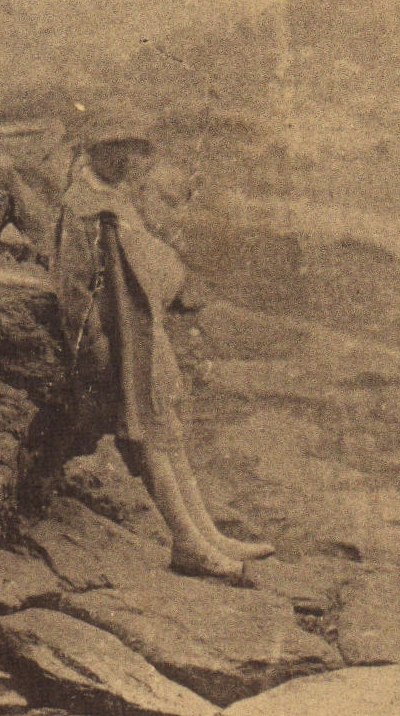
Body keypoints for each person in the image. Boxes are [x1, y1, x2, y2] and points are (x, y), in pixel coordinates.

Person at [50, 135, 273, 581]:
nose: (131, 159)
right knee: (149, 439)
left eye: (135, 149)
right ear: (100, 151)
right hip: (118, 346)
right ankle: (186, 541)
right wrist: (96, 351)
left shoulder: (115, 202)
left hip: (142, 335)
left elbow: (149, 266)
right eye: (122, 148)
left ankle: (207, 533)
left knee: (168, 433)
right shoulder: (81, 210)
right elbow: (74, 294)